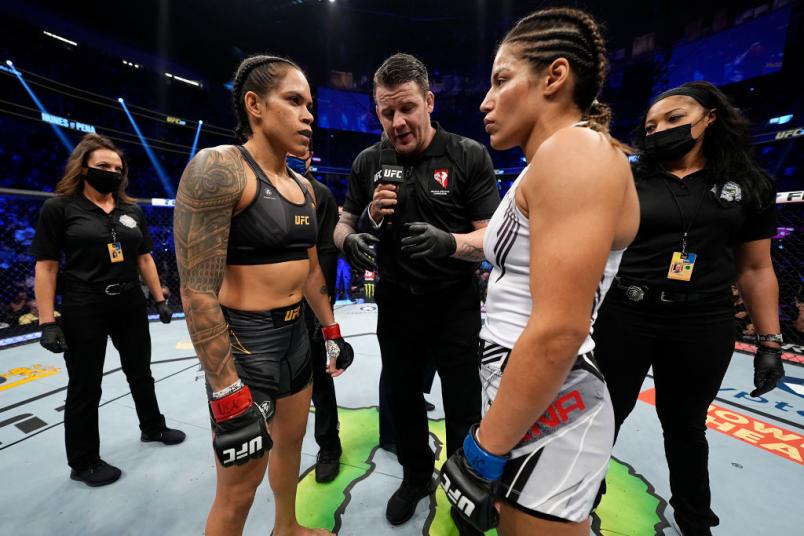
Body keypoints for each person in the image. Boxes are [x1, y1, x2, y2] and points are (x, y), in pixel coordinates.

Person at [439, 8, 639, 536]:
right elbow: (520, 255)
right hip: (527, 384)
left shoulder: (577, 150)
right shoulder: (557, 156)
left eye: (502, 79)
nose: (485, 100)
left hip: (551, 390)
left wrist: (483, 450)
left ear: (554, 77)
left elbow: (559, 330)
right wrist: (451, 243)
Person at [592, 81, 784, 535]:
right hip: (626, 315)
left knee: (685, 427)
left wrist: (769, 341)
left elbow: (756, 268)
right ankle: (577, 501)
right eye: (652, 124)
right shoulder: (628, 176)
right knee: (601, 419)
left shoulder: (748, 184)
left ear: (710, 118)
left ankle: (694, 519)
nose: (661, 129)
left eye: (675, 118)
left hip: (702, 321)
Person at [173, 54, 353, 536]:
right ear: (254, 104)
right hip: (247, 345)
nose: (308, 115)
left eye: (310, 104)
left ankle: (286, 528)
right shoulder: (219, 168)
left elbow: (311, 266)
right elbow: (195, 291)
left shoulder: (303, 187)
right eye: (294, 101)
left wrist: (330, 328)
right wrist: (227, 391)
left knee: (292, 445)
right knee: (238, 488)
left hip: (297, 336)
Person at [334, 53, 500, 530]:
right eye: (386, 112)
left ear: (428, 101)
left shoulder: (467, 154)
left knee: (464, 403)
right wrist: (356, 237)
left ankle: (467, 487)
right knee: (403, 398)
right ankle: (414, 477)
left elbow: (489, 238)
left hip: (455, 304)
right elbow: (341, 226)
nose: (397, 121)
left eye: (406, 107)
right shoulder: (370, 160)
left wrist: (450, 243)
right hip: (397, 302)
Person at [30, 133, 184, 488]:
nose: (112, 172)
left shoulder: (130, 211)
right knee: (85, 385)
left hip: (129, 301)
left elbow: (144, 256)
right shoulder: (60, 208)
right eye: (103, 166)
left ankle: (153, 427)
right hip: (85, 304)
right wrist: (47, 320)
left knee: (140, 371)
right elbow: (47, 266)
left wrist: (159, 299)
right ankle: (83, 462)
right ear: (84, 168)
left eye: (118, 168)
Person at [289, 145, 344, 483]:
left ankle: (329, 446)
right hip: (266, 306)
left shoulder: (319, 194)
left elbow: (325, 254)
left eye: (303, 150)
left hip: (309, 303)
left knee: (320, 379)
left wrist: (325, 315)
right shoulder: (255, 185)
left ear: (311, 155)